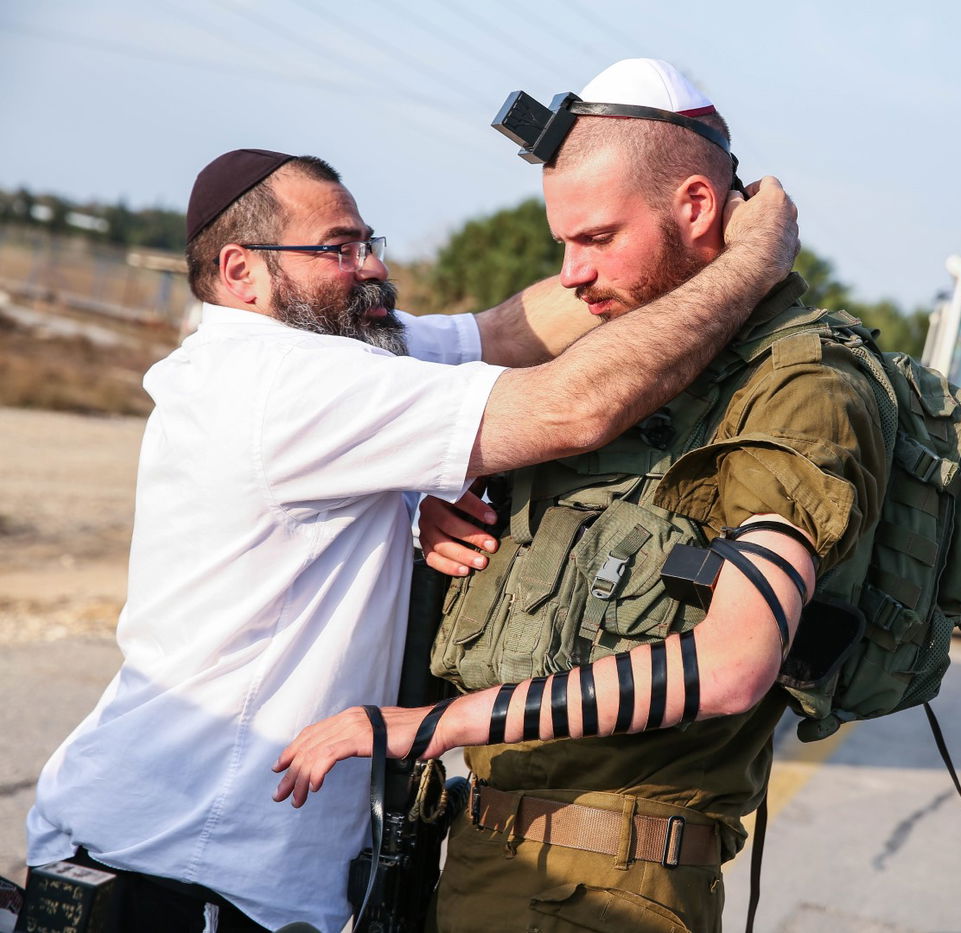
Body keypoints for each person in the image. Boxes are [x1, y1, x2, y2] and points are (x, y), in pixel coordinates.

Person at [25, 145, 798, 932]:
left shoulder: (335, 352)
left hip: (227, 872)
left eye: (367, 242)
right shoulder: (280, 380)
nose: (366, 266)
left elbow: (507, 330)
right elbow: (575, 407)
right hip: (179, 868)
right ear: (240, 272)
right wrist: (752, 262)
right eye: (336, 248)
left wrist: (663, 236)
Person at [275, 60, 887, 932]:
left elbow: (734, 659)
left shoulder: (797, 387)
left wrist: (438, 724)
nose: (572, 273)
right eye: (564, 243)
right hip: (488, 858)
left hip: (611, 888)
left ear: (698, 210)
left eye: (597, 239)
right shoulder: (632, 365)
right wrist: (446, 528)